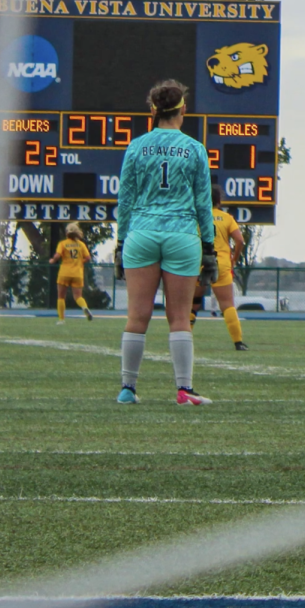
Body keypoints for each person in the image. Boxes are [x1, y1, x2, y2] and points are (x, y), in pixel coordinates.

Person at [114, 79, 215, 406]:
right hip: (182, 235)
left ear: (153, 110)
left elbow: (125, 200)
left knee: (137, 315)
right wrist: (210, 248)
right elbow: (203, 203)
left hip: (142, 233)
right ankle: (184, 389)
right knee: (180, 317)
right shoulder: (195, 149)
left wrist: (120, 242)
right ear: (183, 109)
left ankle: (128, 389)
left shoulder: (136, 146)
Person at [210, 185, 249, 351]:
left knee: (192, 304)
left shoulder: (195, 216)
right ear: (219, 201)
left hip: (198, 263)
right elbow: (239, 240)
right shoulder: (226, 218)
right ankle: (238, 342)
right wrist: (234, 258)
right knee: (227, 304)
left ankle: (182, 340)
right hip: (221, 263)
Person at [49, 222, 94, 325]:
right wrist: (79, 262)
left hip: (64, 272)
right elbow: (87, 258)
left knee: (61, 296)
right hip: (77, 273)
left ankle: (61, 319)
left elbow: (57, 255)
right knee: (78, 296)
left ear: (67, 233)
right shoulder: (81, 244)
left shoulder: (63, 243)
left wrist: (52, 260)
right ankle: (84, 307)